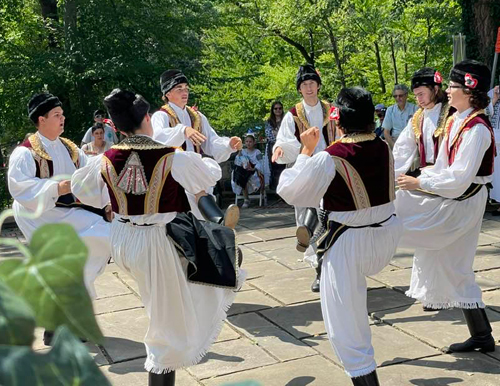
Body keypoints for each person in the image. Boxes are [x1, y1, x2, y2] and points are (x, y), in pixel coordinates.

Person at [71, 89, 245, 386]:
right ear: (148, 119)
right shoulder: (171, 157)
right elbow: (208, 174)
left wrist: (111, 199)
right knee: (166, 332)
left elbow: (80, 188)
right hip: (155, 244)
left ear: (117, 127)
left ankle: (219, 258)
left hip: (123, 240)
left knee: (182, 294)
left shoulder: (104, 160)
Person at [278, 87, 401, 386]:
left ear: (339, 122)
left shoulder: (329, 157)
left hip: (348, 244)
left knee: (344, 322)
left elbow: (290, 191)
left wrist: (306, 152)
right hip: (387, 237)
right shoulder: (383, 146)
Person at [396, 60, 496, 354]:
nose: (447, 92)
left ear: (469, 90)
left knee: (450, 260)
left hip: (464, 203)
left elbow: (459, 180)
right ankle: (481, 335)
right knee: (455, 266)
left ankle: (360, 234)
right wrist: (418, 178)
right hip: (451, 197)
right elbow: (441, 166)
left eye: (452, 87)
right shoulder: (455, 120)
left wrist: (420, 184)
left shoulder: (477, 129)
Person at [7, 92, 111, 345]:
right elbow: (19, 187)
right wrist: (57, 188)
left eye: (62, 114)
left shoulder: (69, 147)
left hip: (64, 212)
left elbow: (91, 171)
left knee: (104, 238)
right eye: (56, 115)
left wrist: (108, 199)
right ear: (41, 119)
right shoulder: (25, 153)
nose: (62, 118)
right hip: (37, 213)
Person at [272, 63, 337, 292]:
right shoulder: (293, 114)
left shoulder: (332, 110)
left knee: (330, 216)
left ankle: (325, 267)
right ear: (299, 89)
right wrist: (280, 149)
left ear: (318, 86)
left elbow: (342, 133)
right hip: (305, 168)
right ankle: (317, 266)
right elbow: (285, 140)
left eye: (312, 83)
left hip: (330, 169)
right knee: (308, 217)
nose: (309, 88)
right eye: (304, 84)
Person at [151, 69, 242, 220]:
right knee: (193, 207)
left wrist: (228, 144)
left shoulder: (197, 117)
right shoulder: (161, 116)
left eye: (186, 88)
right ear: (167, 94)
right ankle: (217, 222)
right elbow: (157, 139)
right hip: (174, 176)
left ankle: (216, 225)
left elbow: (211, 142)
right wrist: (182, 131)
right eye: (179, 89)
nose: (184, 92)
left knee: (203, 183)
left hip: (196, 171)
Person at [393, 68, 454, 178]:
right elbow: (402, 150)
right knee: (399, 194)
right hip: (426, 175)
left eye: (421, 94)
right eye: (416, 95)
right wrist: (390, 176)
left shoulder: (453, 114)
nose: (418, 99)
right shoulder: (417, 119)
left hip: (448, 176)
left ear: (435, 89)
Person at [232, 133, 266, 208]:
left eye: (250, 141)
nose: (248, 143)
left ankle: (246, 199)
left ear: (254, 142)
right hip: (244, 170)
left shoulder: (257, 152)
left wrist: (253, 168)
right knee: (241, 174)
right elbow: (238, 162)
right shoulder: (242, 151)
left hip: (254, 170)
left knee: (244, 176)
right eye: (247, 141)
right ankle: (246, 199)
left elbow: (260, 162)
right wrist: (240, 154)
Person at [382, 84, 418, 149]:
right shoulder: (390, 110)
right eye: (395, 96)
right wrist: (394, 147)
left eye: (400, 96)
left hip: (411, 143)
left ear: (406, 95)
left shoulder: (415, 109)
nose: (398, 98)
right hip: (395, 142)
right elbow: (386, 132)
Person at [264, 101, 285, 189]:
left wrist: (278, 134)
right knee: (274, 168)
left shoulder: (285, 120)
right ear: (272, 110)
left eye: (280, 108)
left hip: (284, 147)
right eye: (275, 108)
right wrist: (279, 136)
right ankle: (276, 189)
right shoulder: (269, 121)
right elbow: (269, 135)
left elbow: (287, 134)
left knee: (284, 168)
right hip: (272, 148)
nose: (278, 110)